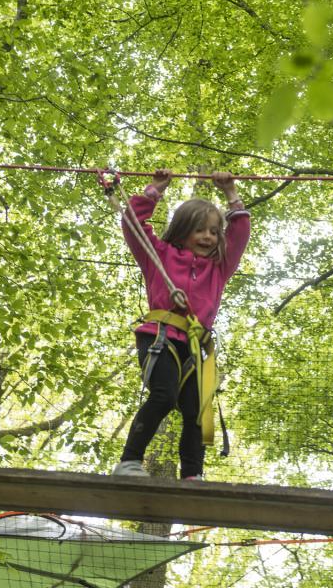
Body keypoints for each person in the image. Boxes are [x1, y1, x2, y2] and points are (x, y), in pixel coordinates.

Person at [112, 169, 250, 480]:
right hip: (159, 336)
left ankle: (193, 475)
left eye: (214, 232)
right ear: (182, 230)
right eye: (200, 230)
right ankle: (129, 461)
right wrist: (154, 191)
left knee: (196, 411)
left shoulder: (219, 268)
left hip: (194, 346)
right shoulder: (158, 255)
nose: (208, 237)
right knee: (163, 394)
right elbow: (133, 225)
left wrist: (231, 193)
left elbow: (240, 235)